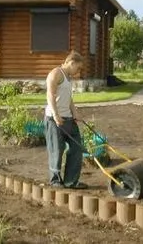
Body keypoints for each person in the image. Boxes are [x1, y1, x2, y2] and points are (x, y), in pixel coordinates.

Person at [44, 51, 88, 189]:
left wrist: (75, 113)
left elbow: (69, 98)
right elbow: (50, 95)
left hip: (68, 119)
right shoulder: (55, 74)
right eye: (78, 68)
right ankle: (55, 180)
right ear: (71, 62)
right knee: (57, 149)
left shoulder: (69, 78)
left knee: (77, 148)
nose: (78, 71)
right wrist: (56, 114)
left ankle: (71, 181)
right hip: (54, 119)